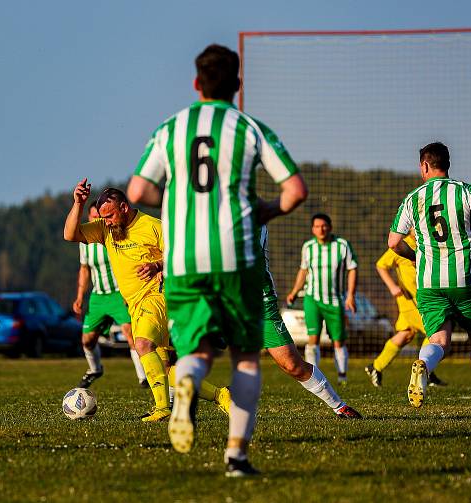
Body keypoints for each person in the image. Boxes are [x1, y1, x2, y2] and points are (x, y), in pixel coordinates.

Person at [127, 44, 308, 477]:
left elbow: (136, 192)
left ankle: (186, 385)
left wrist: (175, 203)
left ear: (195, 84)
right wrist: (266, 210)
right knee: (245, 358)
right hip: (235, 257)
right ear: (238, 85)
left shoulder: (170, 128)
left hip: (184, 260)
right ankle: (236, 457)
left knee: (195, 350)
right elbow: (295, 190)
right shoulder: (249, 128)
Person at [64, 185, 230, 422]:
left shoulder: (153, 226)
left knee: (142, 344)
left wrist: (158, 265)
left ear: (124, 207)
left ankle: (162, 409)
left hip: (157, 297)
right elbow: (70, 235)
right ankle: (221, 396)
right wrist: (79, 203)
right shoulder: (104, 229)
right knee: (165, 369)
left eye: (110, 215)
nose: (108, 222)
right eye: (104, 218)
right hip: (134, 304)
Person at [388, 142, 471, 421]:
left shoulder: (412, 198)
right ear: (447, 164)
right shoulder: (465, 190)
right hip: (464, 281)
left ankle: (424, 363)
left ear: (424, 166)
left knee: (439, 339)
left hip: (428, 284)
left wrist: (415, 257)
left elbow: (393, 242)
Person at [260, 227, 361, 419]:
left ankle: (339, 403)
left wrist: (350, 295)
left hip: (260, 301)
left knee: (292, 364)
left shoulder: (251, 215)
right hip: (217, 296)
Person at [72, 201, 147, 388]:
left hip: (118, 293)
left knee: (130, 333)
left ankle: (143, 377)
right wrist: (80, 296)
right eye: (93, 217)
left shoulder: (113, 236)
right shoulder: (85, 242)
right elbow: (84, 269)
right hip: (98, 296)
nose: (96, 220)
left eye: (99, 217)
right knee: (87, 340)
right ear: (88, 218)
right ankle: (95, 369)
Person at [364, 232, 447, 387]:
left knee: (406, 334)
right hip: (410, 301)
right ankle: (426, 371)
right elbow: (381, 265)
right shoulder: (403, 244)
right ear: (410, 228)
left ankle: (376, 367)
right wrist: (393, 287)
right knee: (435, 332)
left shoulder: (428, 243)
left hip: (423, 299)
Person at [286, 214, 357, 385]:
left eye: (324, 226)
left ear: (330, 227)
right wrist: (294, 291)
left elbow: (352, 269)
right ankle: (313, 377)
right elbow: (303, 271)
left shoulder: (342, 245)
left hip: (334, 300)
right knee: (313, 337)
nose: (321, 229)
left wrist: (350, 295)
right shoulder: (308, 247)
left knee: (338, 341)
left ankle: (342, 377)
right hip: (312, 298)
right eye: (317, 226)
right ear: (312, 229)